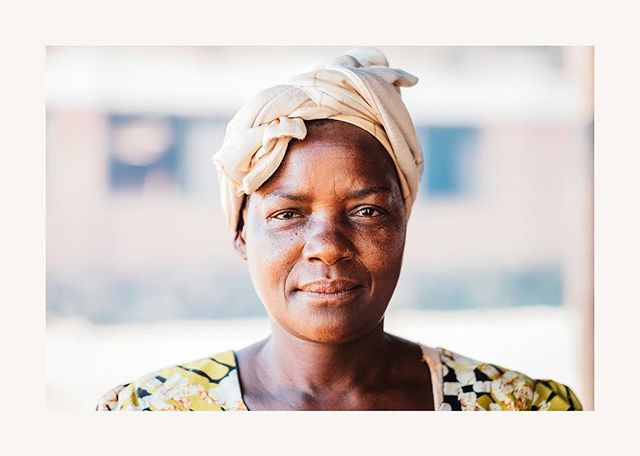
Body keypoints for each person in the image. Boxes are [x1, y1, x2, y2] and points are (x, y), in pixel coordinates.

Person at [97, 48, 582, 411]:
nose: (327, 248)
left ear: (403, 222)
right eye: (288, 214)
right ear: (242, 233)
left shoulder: (517, 408)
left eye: (367, 211)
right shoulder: (150, 413)